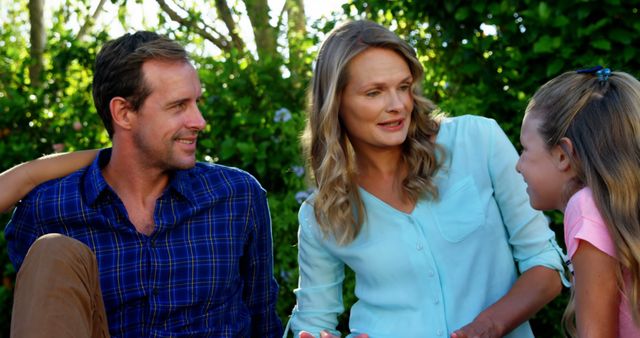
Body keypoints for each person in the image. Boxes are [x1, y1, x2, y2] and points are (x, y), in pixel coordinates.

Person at [285, 20, 567, 338]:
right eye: (374, 92)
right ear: (335, 104)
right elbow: (312, 322)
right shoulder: (320, 212)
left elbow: (545, 265)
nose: (397, 105)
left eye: (403, 87)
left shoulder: (478, 141)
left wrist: (487, 327)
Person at [3, 31, 283, 337]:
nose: (199, 121)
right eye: (178, 106)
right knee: (52, 251)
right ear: (124, 113)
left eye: (196, 103)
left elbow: (263, 319)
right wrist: (30, 174)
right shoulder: (48, 208)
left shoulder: (236, 195)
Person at [516, 66, 640, 337]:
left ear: (563, 155)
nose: (518, 166)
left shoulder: (585, 208)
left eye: (525, 149)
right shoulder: (617, 206)